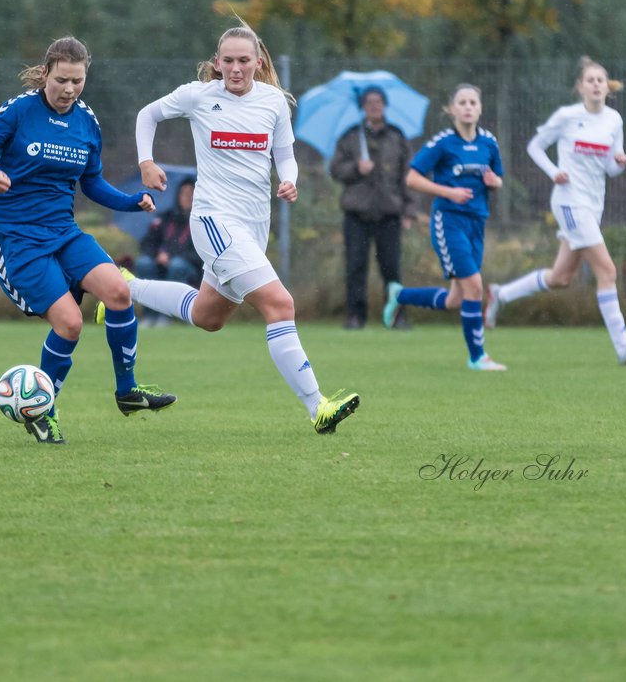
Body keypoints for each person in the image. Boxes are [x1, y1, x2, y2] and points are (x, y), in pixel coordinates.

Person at [98, 23, 361, 435]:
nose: (236, 69)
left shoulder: (273, 102)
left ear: (258, 62)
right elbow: (147, 115)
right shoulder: (200, 96)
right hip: (214, 221)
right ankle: (318, 407)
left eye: (244, 61)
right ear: (217, 63)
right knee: (280, 304)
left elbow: (285, 155)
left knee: (208, 316)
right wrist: (146, 162)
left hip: (254, 226)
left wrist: (289, 178)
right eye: (229, 61)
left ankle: (122, 287)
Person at [0, 37, 177, 446]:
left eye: (78, 81)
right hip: (16, 234)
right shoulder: (20, 110)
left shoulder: (86, 120)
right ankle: (43, 411)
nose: (70, 89)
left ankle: (127, 392)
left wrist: (132, 201)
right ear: (45, 75)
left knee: (118, 292)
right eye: (62, 80)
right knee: (71, 323)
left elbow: (90, 182)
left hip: (62, 229)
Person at [484, 57, 626, 366]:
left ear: (607, 87)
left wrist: (618, 163)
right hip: (569, 201)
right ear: (580, 87)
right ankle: (624, 349)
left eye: (600, 80)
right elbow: (534, 147)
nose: (595, 85)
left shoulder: (614, 120)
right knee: (608, 271)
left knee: (561, 277)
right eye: (589, 80)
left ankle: (501, 294)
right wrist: (553, 172)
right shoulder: (566, 116)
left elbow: (608, 168)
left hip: (593, 203)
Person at [381, 84, 507, 370]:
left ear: (480, 108)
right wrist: (448, 192)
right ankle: (478, 357)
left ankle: (399, 294)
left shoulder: (489, 142)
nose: (467, 107)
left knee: (456, 299)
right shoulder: (442, 143)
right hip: (449, 221)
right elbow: (412, 178)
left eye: (473, 102)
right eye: (461, 102)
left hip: (477, 222)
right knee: (475, 287)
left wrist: (494, 182)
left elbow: (498, 178)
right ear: (452, 110)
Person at [328, 86, 417, 330]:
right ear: (362, 107)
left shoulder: (397, 137)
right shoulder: (350, 137)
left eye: (378, 101)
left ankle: (397, 316)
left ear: (385, 105)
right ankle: (355, 316)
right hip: (356, 214)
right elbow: (336, 169)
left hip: (389, 213)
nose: (374, 106)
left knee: (392, 268)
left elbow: (408, 175)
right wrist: (357, 168)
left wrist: (409, 209)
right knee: (355, 267)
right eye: (369, 102)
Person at [133, 178, 204, 325]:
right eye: (184, 193)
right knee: (144, 263)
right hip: (159, 264)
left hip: (190, 268)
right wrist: (157, 255)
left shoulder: (202, 221)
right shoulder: (166, 218)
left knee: (177, 266)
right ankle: (150, 315)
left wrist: (171, 257)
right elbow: (148, 242)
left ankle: (170, 315)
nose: (187, 197)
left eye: (191, 193)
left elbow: (200, 253)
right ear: (178, 195)